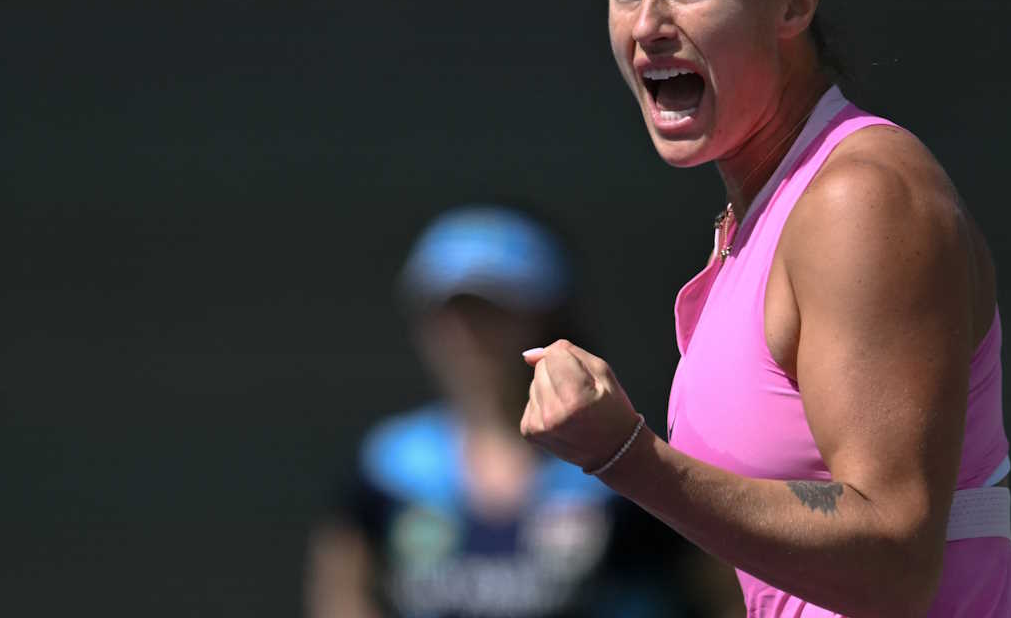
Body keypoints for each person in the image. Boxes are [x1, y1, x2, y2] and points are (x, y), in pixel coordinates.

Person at [519, 0, 1011, 618]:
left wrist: (623, 454)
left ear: (792, 3)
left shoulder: (858, 198)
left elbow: (893, 564)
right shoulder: (763, 215)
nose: (648, 23)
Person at [304, 205, 726, 618]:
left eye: (493, 311)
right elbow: (342, 590)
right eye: (451, 312)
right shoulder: (389, 469)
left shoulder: (625, 465)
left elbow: (725, 596)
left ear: (548, 317)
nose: (467, 335)